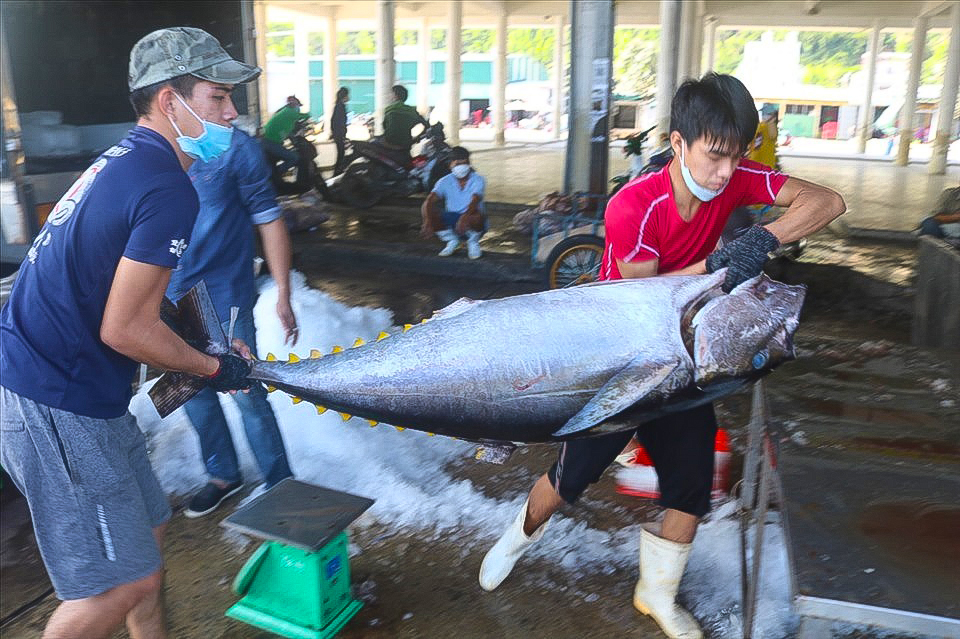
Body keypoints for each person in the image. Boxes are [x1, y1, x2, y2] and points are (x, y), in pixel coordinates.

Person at [477, 73, 845, 639]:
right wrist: (721, 268)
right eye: (715, 156)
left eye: (735, 158)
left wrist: (760, 241)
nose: (726, 174)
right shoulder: (634, 207)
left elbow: (827, 201)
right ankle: (518, 533)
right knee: (571, 478)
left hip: (685, 359)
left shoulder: (734, 175)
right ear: (678, 143)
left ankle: (656, 592)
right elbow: (649, 306)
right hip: (620, 354)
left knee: (691, 486)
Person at [0, 27, 259, 639]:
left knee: (149, 533)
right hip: (55, 401)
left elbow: (125, 293)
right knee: (121, 584)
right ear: (171, 102)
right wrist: (212, 370)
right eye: (218, 98)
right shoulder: (167, 184)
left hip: (79, 392)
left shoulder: (129, 159)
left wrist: (206, 344)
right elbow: (125, 327)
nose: (232, 113)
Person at [168, 123, 299, 518]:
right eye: (218, 95)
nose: (230, 110)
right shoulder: (154, 145)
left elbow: (269, 220)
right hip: (170, 294)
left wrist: (284, 294)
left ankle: (280, 482)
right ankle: (223, 474)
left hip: (224, 294)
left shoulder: (235, 148)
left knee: (245, 390)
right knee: (191, 390)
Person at [419, 146, 486, 259]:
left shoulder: (478, 179)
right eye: (458, 164)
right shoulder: (444, 181)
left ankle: (473, 241)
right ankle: (452, 241)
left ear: (469, 164)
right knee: (432, 214)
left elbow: (475, 200)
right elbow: (429, 201)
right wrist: (427, 221)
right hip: (452, 219)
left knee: (477, 216)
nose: (462, 167)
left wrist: (465, 216)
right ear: (450, 164)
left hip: (471, 219)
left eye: (464, 163)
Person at [262, 95, 310, 173]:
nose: (298, 108)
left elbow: (289, 133)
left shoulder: (285, 114)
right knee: (294, 158)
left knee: (288, 154)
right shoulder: (289, 112)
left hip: (269, 142)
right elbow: (304, 116)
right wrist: (309, 115)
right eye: (298, 106)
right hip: (271, 143)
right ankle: (275, 175)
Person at [382, 84, 428, 153]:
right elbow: (426, 125)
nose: (389, 96)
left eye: (391, 94)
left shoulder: (389, 110)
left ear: (395, 96)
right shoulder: (412, 111)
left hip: (389, 145)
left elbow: (385, 127)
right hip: (406, 145)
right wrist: (416, 139)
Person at [748, 103, 779, 170]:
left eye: (767, 113)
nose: (763, 115)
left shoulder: (768, 126)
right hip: (758, 161)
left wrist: (771, 122)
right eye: (763, 113)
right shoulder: (760, 126)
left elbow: (772, 136)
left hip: (762, 162)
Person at [331, 87, 350, 176]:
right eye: (348, 95)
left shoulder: (338, 105)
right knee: (341, 153)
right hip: (339, 134)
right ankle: (337, 172)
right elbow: (339, 122)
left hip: (338, 134)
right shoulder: (340, 106)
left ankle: (338, 171)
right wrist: (342, 135)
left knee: (341, 153)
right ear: (344, 96)